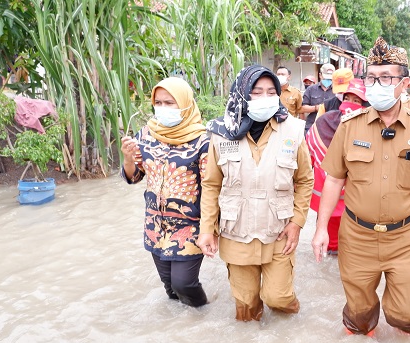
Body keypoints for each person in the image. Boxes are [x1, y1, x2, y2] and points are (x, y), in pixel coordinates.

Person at [311, 37, 410, 336]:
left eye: (386, 77)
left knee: (407, 315)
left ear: (404, 83)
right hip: (357, 237)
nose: (377, 84)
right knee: (358, 316)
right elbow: (333, 180)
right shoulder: (350, 126)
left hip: (405, 237)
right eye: (372, 77)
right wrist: (320, 229)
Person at [197, 65, 313, 322]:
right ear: (242, 94)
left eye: (271, 92)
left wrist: (297, 223)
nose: (265, 98)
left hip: (279, 231)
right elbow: (211, 184)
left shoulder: (293, 130)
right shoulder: (220, 133)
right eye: (256, 92)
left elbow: (305, 180)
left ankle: (287, 333)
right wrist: (207, 229)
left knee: (279, 298)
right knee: (246, 307)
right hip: (237, 232)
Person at [120, 77, 209, 307]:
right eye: (158, 103)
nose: (162, 108)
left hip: (189, 225)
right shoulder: (147, 134)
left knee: (184, 284)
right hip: (155, 225)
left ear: (185, 104)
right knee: (169, 286)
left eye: (170, 103)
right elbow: (134, 176)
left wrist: (210, 228)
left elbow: (211, 187)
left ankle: (202, 313)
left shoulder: (202, 140)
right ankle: (179, 328)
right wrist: (128, 159)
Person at [306, 78, 368, 255]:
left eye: (357, 101)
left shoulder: (370, 129)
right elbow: (306, 157)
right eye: (348, 99)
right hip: (327, 198)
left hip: (356, 203)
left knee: (352, 247)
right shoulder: (324, 122)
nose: (351, 104)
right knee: (328, 247)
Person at [301, 63, 337, 134]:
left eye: (330, 79)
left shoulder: (337, 90)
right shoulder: (311, 89)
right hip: (312, 125)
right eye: (326, 78)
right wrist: (317, 108)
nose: (328, 80)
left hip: (331, 127)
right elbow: (303, 108)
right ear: (320, 75)